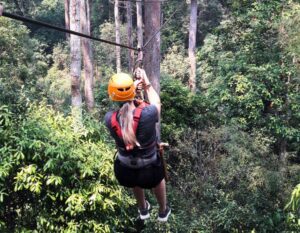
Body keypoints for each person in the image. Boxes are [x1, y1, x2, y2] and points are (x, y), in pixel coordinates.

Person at [104, 68, 171, 222]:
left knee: (134, 176)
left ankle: (143, 209)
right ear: (132, 93)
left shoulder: (109, 119)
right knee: (158, 176)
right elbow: (156, 102)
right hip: (150, 172)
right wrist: (146, 84)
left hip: (124, 172)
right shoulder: (148, 114)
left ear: (112, 96)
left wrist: (130, 91)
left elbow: (127, 114)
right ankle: (162, 210)